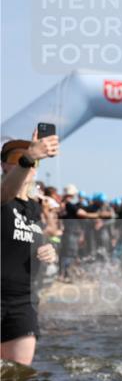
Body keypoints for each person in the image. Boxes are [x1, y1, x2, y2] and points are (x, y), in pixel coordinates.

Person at [1, 137, 59, 366]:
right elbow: (6, 191)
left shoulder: (33, 208)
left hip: (23, 301)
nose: (23, 163)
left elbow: (31, 242)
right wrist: (30, 157)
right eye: (16, 158)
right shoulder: (3, 196)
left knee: (19, 377)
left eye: (31, 160)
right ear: (4, 166)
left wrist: (48, 250)